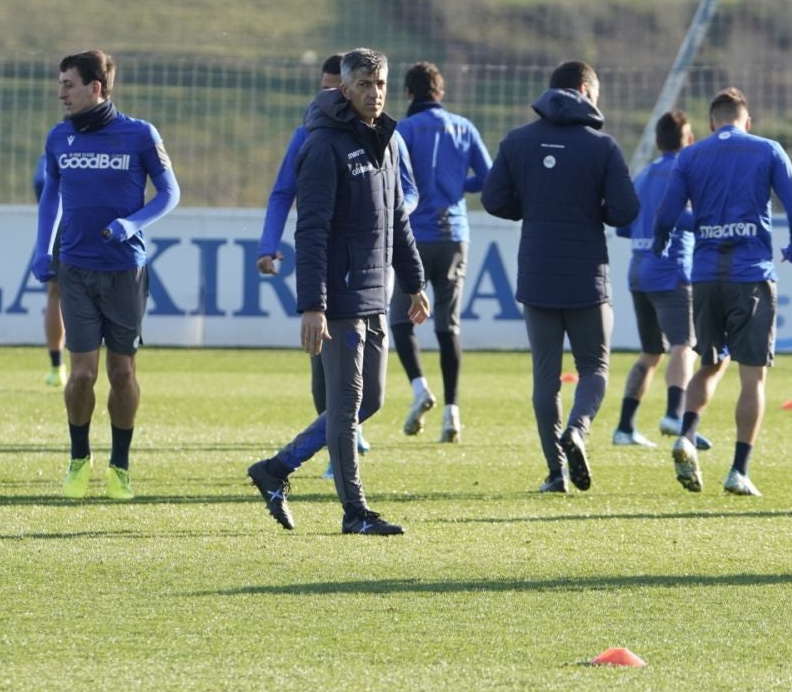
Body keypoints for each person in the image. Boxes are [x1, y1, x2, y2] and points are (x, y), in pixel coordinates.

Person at [247, 47, 430, 536]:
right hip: (341, 297)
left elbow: (397, 221)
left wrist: (414, 283)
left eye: (381, 85)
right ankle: (356, 512)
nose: (375, 94)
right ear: (343, 90)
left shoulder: (386, 141)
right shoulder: (323, 145)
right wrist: (313, 305)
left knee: (370, 402)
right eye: (366, 86)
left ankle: (276, 469)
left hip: (375, 294)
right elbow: (311, 231)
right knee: (347, 406)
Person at [481, 60, 639, 494]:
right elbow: (626, 210)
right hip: (587, 274)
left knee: (545, 377)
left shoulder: (517, 141)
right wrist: (595, 212)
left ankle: (555, 472)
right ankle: (578, 430)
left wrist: (532, 207)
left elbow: (494, 200)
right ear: (587, 90)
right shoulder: (602, 146)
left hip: (537, 273)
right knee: (594, 367)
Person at [32, 50, 180, 502]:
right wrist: (42, 248)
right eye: (60, 84)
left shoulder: (139, 135)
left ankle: (121, 465)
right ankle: (79, 460)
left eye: (69, 84)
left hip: (124, 271)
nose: (61, 93)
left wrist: (132, 224)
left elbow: (170, 193)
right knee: (80, 376)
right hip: (75, 270)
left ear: (96, 87)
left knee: (121, 372)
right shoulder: (59, 138)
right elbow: (50, 197)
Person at [652, 87, 792, 497]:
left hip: (704, 277)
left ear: (709, 124)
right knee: (752, 377)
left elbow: (667, 213)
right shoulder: (767, 149)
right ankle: (738, 471)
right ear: (747, 121)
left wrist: (659, 244)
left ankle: (686, 435)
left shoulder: (691, 155)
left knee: (709, 362)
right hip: (751, 276)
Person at [391, 60, 492, 443]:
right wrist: (455, 186)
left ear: (408, 93)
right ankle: (452, 413)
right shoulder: (464, 127)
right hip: (454, 234)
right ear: (441, 93)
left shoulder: (401, 130)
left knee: (401, 321)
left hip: (412, 236)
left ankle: (420, 389)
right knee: (448, 326)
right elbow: (487, 176)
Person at [611, 110, 712, 452]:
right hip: (671, 270)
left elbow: (623, 226)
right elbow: (691, 220)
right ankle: (674, 413)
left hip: (638, 272)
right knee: (684, 345)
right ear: (690, 141)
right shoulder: (688, 172)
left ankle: (624, 427)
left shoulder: (642, 175)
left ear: (657, 141)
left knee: (651, 352)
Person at [33, 154, 66, 388]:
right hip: (101, 221)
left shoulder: (59, 142)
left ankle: (57, 368)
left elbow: (40, 182)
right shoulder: (112, 140)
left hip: (62, 221)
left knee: (56, 292)